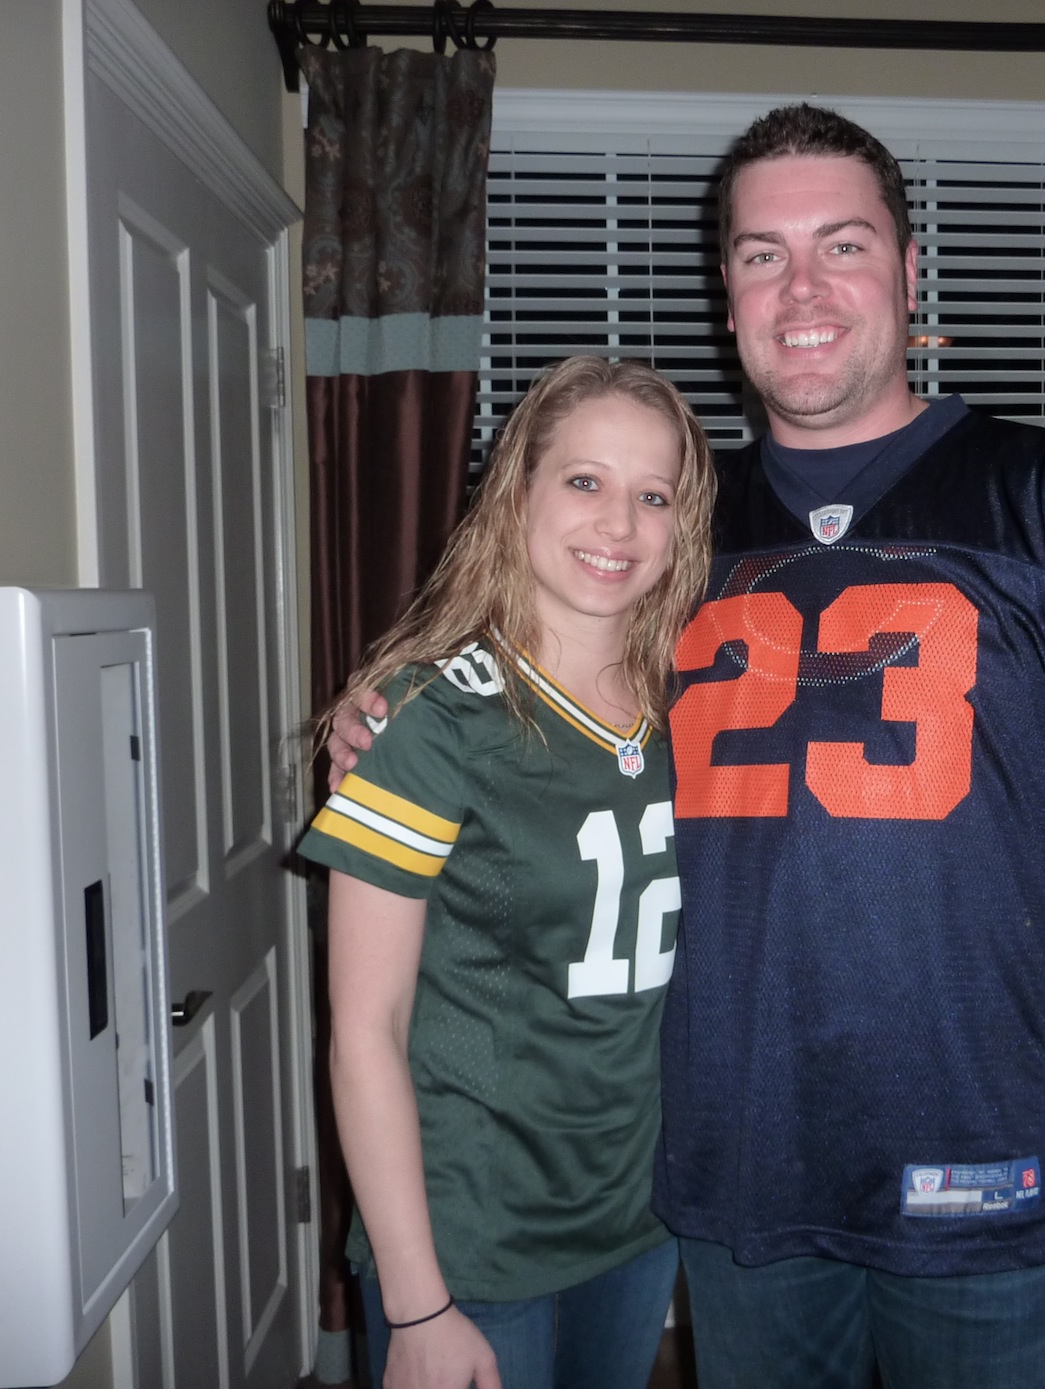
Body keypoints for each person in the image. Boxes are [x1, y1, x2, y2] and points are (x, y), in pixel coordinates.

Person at [331, 106, 1045, 1388]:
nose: (801, 288)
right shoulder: (678, 531)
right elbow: (527, 664)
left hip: (981, 1158)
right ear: (728, 294)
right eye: (765, 255)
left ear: (909, 271)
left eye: (842, 246)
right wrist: (385, 704)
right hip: (739, 1168)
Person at [300, 356, 715, 1389]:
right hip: (469, 1238)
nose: (618, 524)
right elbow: (365, 1030)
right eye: (584, 481)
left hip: (636, 1216)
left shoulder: (702, 704)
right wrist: (417, 1300)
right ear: (517, 492)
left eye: (653, 495)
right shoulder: (430, 716)